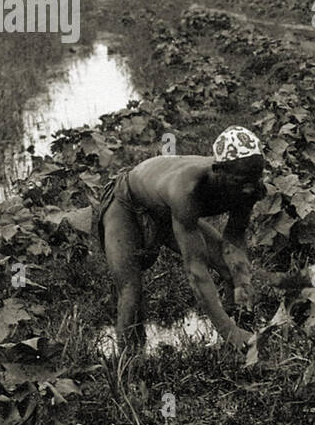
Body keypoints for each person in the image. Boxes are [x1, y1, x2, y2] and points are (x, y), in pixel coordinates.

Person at [96, 125, 275, 351]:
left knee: (230, 269)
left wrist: (242, 282)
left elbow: (234, 236)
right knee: (131, 291)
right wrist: (228, 330)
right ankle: (129, 365)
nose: (248, 190)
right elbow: (196, 270)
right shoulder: (187, 189)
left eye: (254, 179)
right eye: (240, 182)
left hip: (167, 212)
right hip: (127, 204)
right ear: (218, 171)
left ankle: (241, 342)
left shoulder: (249, 184)